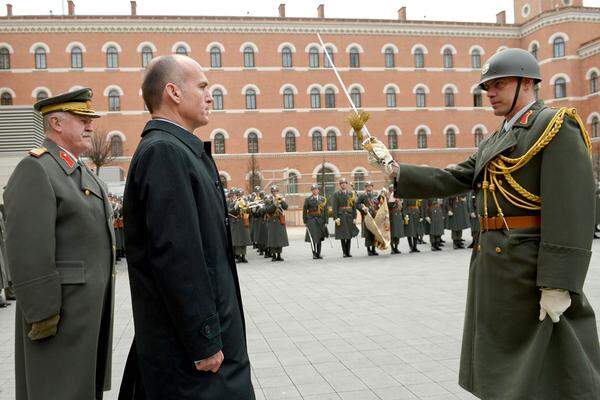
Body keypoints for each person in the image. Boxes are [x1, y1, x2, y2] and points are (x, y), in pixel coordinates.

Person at [356, 48, 600, 399]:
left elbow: (572, 209)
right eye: (487, 87)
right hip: (497, 267)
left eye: (499, 84)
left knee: (559, 360)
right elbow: (452, 177)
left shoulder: (555, 125)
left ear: (528, 83)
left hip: (531, 268)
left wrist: (559, 282)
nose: (490, 93)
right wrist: (395, 169)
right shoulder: (498, 137)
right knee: (507, 365)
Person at [120, 55, 254, 400]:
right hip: (194, 361)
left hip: (201, 347)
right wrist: (204, 338)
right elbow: (178, 257)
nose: (210, 96)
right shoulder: (165, 153)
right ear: (173, 93)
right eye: (202, 87)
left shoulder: (180, 150)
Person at [3, 88, 115, 400]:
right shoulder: (37, 168)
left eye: (90, 119)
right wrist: (43, 315)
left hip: (84, 314)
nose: (90, 125)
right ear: (56, 123)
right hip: (58, 318)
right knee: (57, 390)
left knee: (80, 390)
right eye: (82, 119)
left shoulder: (80, 173)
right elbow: (28, 251)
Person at [331, 178, 358, 257]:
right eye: (342, 183)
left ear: (346, 184)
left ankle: (348, 252)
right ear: (340, 185)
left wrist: (355, 217)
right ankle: (344, 252)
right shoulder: (336, 194)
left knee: (349, 235)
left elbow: (354, 207)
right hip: (341, 216)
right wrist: (336, 217)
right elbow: (334, 207)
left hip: (349, 216)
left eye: (345, 183)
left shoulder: (350, 194)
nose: (343, 184)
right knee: (342, 235)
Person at [303, 184, 329, 259]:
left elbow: (326, 211)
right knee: (313, 237)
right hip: (311, 220)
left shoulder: (322, 199)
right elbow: (305, 211)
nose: (315, 191)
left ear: (318, 190)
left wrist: (326, 221)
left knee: (320, 237)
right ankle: (314, 254)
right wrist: (305, 221)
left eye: (316, 189)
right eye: (313, 189)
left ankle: (319, 253)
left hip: (320, 220)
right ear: (312, 191)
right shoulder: (308, 199)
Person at [263, 185, 289, 262]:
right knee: (273, 238)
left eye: (276, 191)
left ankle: (279, 255)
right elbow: (267, 210)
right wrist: (274, 204)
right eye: (274, 191)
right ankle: (274, 255)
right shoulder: (268, 200)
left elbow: (286, 207)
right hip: (272, 220)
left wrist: (282, 201)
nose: (275, 193)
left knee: (279, 238)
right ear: (271, 192)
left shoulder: (281, 199)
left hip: (279, 220)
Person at [357, 181, 380, 256]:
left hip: (374, 216)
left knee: (374, 233)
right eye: (367, 186)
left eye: (370, 186)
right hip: (367, 216)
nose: (369, 187)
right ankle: (368, 250)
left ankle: (374, 249)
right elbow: (357, 204)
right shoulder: (362, 195)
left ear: (372, 187)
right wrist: (363, 208)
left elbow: (378, 204)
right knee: (368, 233)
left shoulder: (375, 195)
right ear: (366, 187)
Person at [228, 188, 251, 263]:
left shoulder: (245, 202)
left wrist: (247, 207)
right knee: (238, 241)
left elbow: (249, 213)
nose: (240, 196)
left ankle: (243, 256)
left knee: (244, 240)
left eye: (241, 195)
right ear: (236, 196)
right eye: (238, 195)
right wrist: (236, 207)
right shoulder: (233, 203)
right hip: (237, 223)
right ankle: (238, 256)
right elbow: (230, 212)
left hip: (244, 222)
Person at [387, 184, 404, 254]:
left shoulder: (399, 196)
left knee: (398, 232)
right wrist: (393, 201)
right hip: (392, 215)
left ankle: (396, 247)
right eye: (393, 189)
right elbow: (388, 206)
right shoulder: (389, 196)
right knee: (392, 233)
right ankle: (392, 248)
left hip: (398, 215)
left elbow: (401, 207)